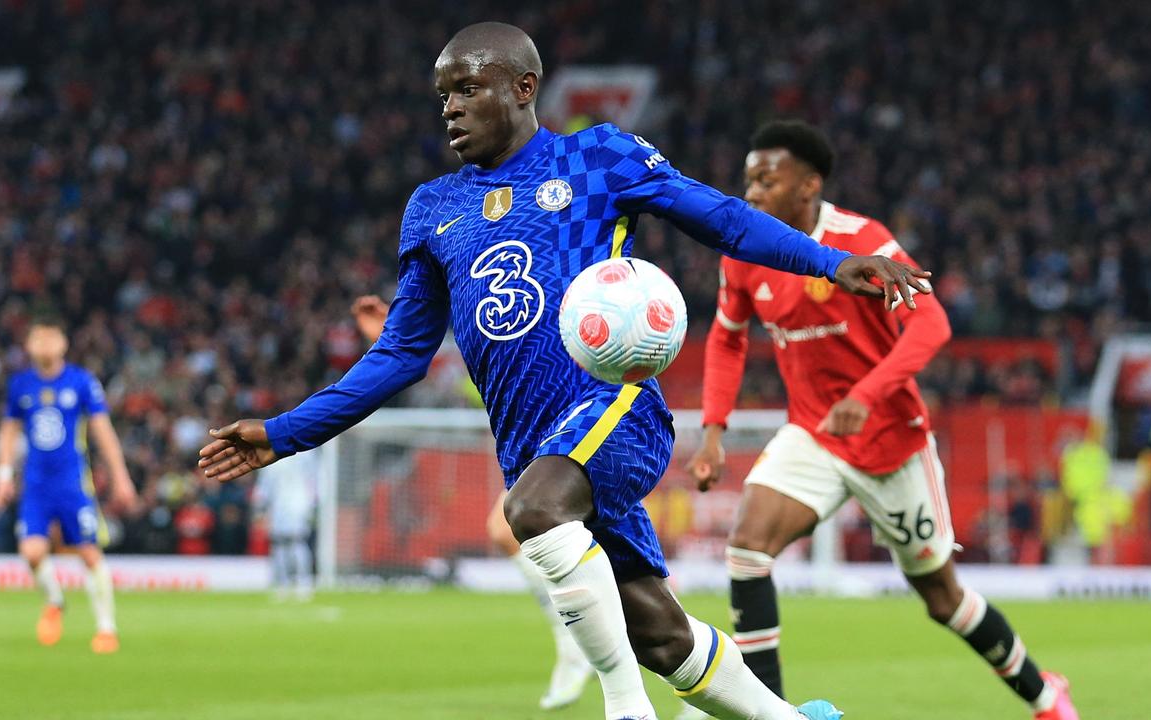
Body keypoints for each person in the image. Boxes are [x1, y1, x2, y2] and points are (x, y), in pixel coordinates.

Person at [200, 22, 930, 720]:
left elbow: (724, 219)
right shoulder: (433, 209)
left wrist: (834, 263)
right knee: (661, 636)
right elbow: (399, 355)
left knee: (531, 514)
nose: (450, 107)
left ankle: (624, 711)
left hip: (615, 411)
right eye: (442, 95)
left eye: (467, 88)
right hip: (533, 447)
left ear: (524, 88)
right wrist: (284, 433)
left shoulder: (597, 159)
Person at [684, 120, 1078, 720]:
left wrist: (866, 395)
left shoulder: (862, 238)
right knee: (747, 548)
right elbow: (728, 339)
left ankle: (1046, 697)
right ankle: (768, 712)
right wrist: (713, 431)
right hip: (813, 433)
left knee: (942, 598)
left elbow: (932, 322)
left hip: (890, 443)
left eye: (767, 179)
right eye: (748, 180)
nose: (753, 192)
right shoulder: (746, 251)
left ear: (809, 184)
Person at [353, 294, 594, 709]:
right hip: (542, 430)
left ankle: (602, 652)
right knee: (515, 532)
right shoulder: (482, 319)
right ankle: (589, 647)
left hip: (583, 416)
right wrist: (395, 339)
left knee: (620, 563)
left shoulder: (536, 287)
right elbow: (468, 375)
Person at [0, 317, 137, 653]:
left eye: (50, 338)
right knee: (31, 552)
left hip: (73, 484)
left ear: (63, 343)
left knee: (88, 552)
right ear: (28, 346)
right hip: (36, 486)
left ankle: (106, 628)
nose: (44, 345)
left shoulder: (81, 382)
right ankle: (55, 601)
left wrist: (121, 477)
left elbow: (103, 432)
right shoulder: (20, 385)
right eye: (37, 339)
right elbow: (9, 432)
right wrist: (2, 475)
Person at [254, 449, 320, 601]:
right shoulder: (272, 450)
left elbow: (314, 477)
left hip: (299, 503)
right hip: (278, 505)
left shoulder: (306, 452)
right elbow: (266, 482)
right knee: (279, 544)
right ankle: (282, 584)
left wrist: (313, 503)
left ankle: (304, 583)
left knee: (297, 541)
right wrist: (261, 504)